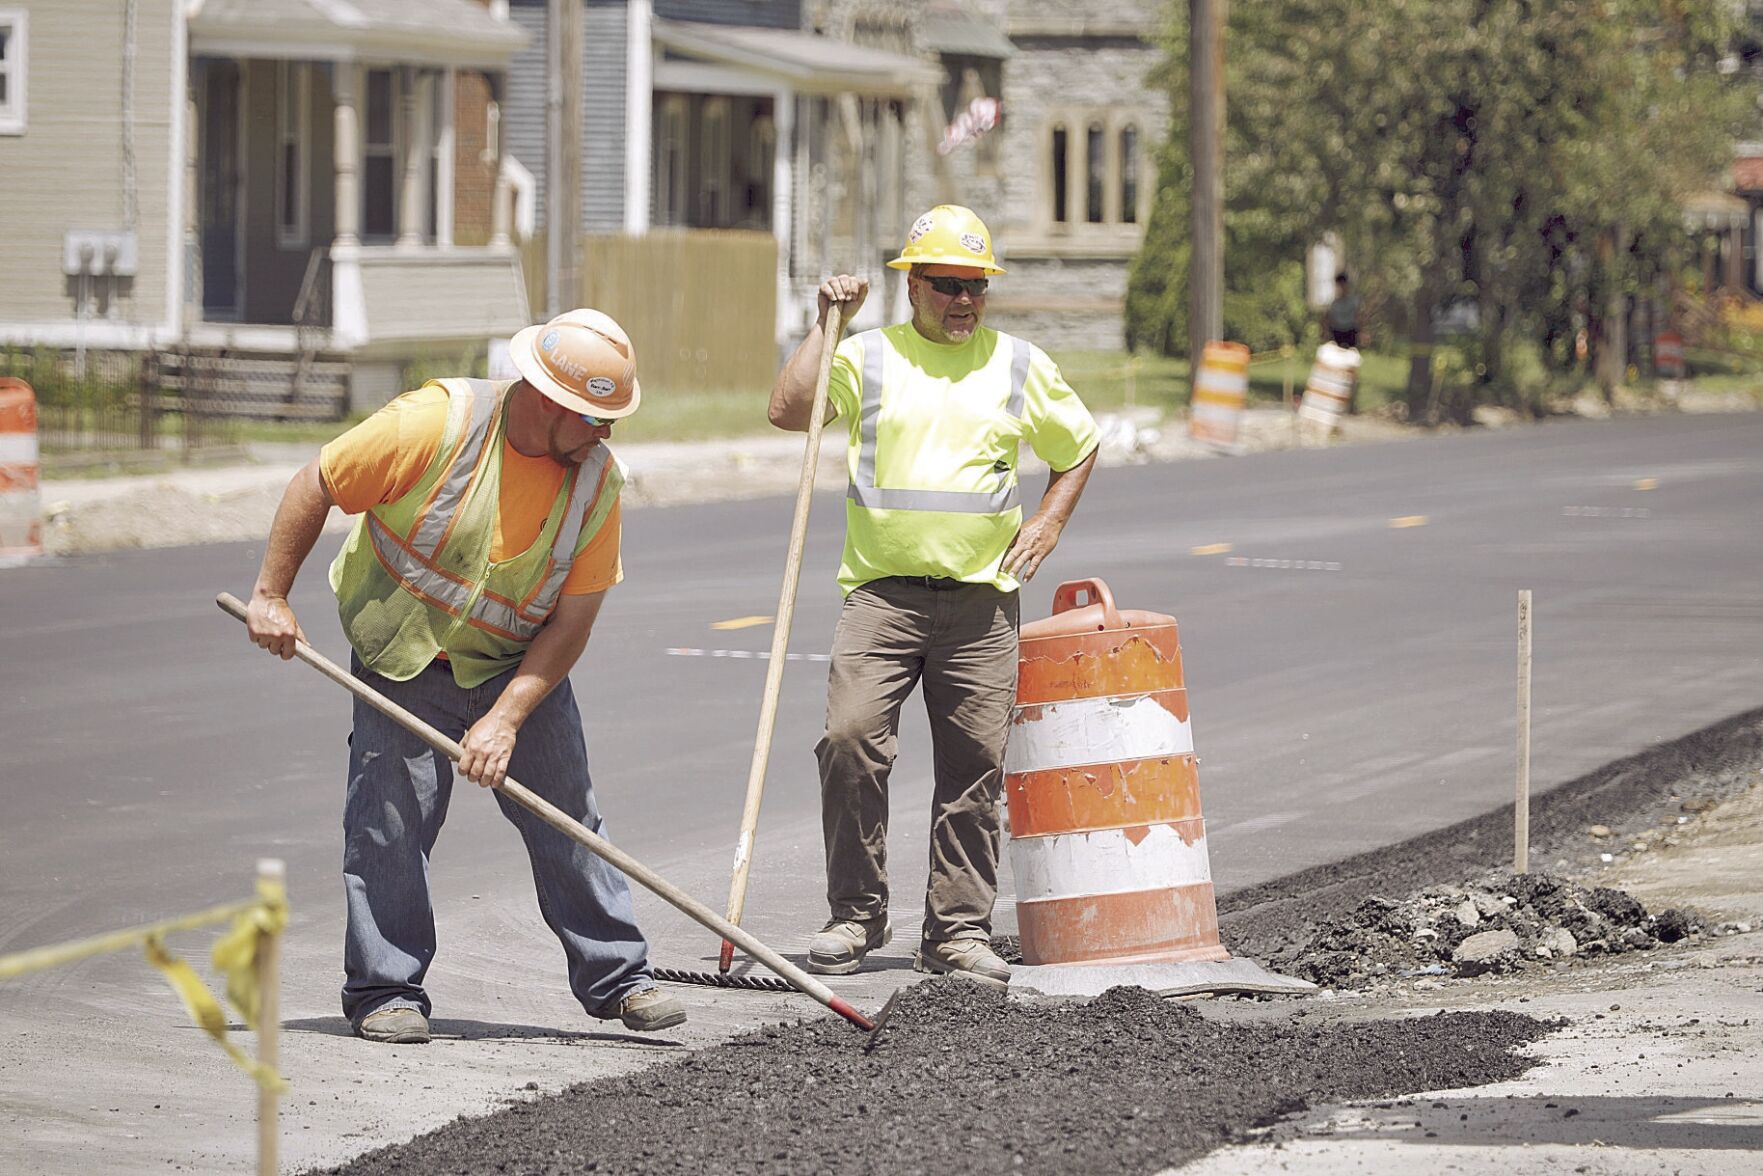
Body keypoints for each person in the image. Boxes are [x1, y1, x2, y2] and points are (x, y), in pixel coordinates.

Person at [244, 309, 685, 1044]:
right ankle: (386, 991)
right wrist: (270, 595)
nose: (605, 434)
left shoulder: (595, 482)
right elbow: (315, 482)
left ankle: (619, 980)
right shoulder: (433, 424)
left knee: (566, 817)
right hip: (403, 654)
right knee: (388, 825)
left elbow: (571, 624)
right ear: (545, 399)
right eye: (593, 417)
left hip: (516, 665)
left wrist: (507, 717)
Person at [769, 205, 1100, 986]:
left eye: (976, 287)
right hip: (881, 599)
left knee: (973, 768)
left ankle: (955, 932)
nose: (964, 301)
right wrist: (827, 323)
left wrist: (1050, 520)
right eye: (948, 285)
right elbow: (789, 411)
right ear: (912, 285)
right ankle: (855, 915)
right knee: (849, 743)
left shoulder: (1016, 364)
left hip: (980, 607)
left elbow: (1078, 444)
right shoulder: (869, 357)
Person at [1325, 272, 1361, 350]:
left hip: (1350, 331)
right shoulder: (1333, 303)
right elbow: (1329, 319)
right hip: (1337, 331)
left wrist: (1362, 332)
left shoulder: (1353, 301)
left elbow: (1358, 316)